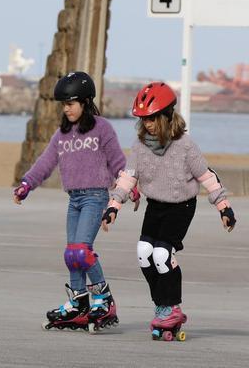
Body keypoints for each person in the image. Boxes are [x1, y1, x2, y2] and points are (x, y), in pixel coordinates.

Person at [101, 81, 236, 341]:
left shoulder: (185, 145)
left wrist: (224, 207)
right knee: (144, 253)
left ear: (166, 116)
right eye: (143, 119)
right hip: (156, 205)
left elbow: (207, 177)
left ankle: (173, 307)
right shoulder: (140, 146)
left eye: (151, 118)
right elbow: (128, 177)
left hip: (181, 206)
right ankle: (161, 305)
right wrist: (113, 206)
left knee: (162, 254)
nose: (147, 124)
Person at [13, 71, 125, 333]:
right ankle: (79, 304)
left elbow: (118, 161)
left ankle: (104, 298)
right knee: (71, 255)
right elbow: (45, 162)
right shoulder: (62, 134)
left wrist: (127, 190)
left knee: (81, 251)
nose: (67, 109)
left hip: (96, 196)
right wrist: (27, 184)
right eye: (64, 105)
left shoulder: (102, 128)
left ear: (85, 102)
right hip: (74, 199)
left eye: (70, 104)